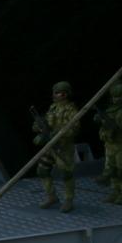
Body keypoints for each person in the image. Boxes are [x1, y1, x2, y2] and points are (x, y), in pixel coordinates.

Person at [34, 81, 80, 212]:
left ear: (66, 94)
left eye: (60, 93)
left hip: (63, 147)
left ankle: (69, 200)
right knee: (42, 170)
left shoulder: (71, 110)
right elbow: (48, 123)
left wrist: (59, 133)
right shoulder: (53, 108)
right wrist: (40, 126)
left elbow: (74, 129)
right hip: (50, 146)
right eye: (56, 92)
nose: (57, 95)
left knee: (66, 174)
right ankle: (51, 196)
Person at [96, 83, 122, 204]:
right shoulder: (110, 110)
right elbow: (104, 126)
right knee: (112, 171)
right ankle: (114, 192)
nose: (117, 99)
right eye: (115, 97)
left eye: (120, 96)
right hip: (110, 144)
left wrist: (114, 124)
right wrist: (101, 120)